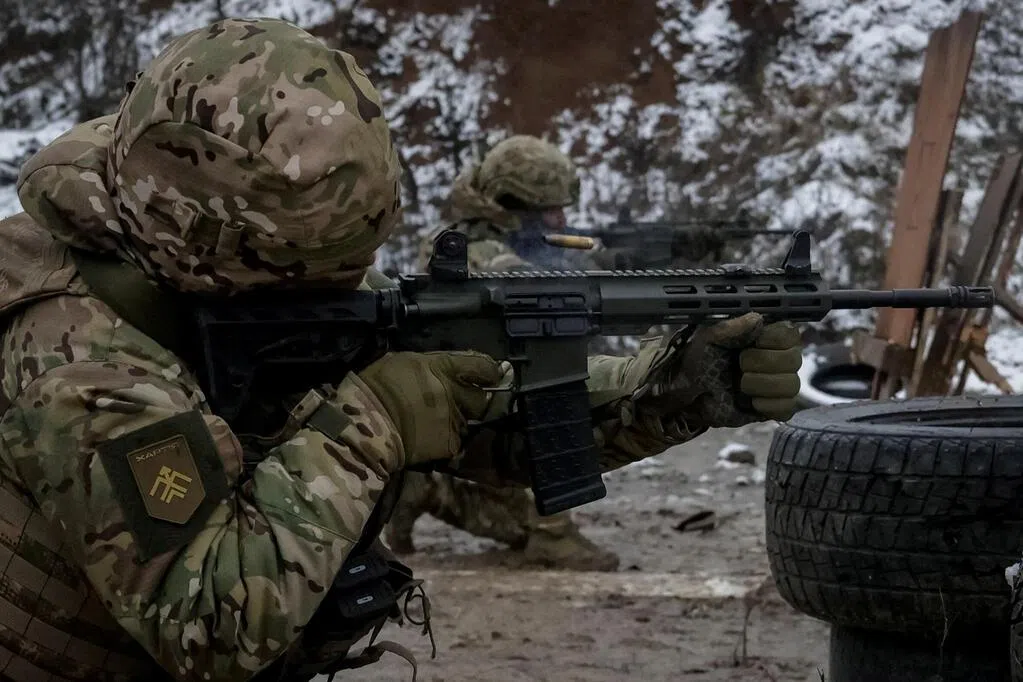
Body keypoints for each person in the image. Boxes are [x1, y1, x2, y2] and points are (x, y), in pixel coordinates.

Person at [0, 17, 802, 682]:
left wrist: (670, 386)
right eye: (302, 277)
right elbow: (209, 627)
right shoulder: (76, 356)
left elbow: (486, 413)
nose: (337, 290)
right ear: (218, 248)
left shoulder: (231, 266)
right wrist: (373, 419)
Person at [387, 136, 620, 572]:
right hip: (466, 407)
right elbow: (518, 278)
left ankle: (421, 488)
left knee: (515, 523)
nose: (561, 218)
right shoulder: (470, 248)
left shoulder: (476, 237)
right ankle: (552, 533)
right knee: (558, 395)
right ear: (514, 205)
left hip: (465, 412)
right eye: (550, 210)